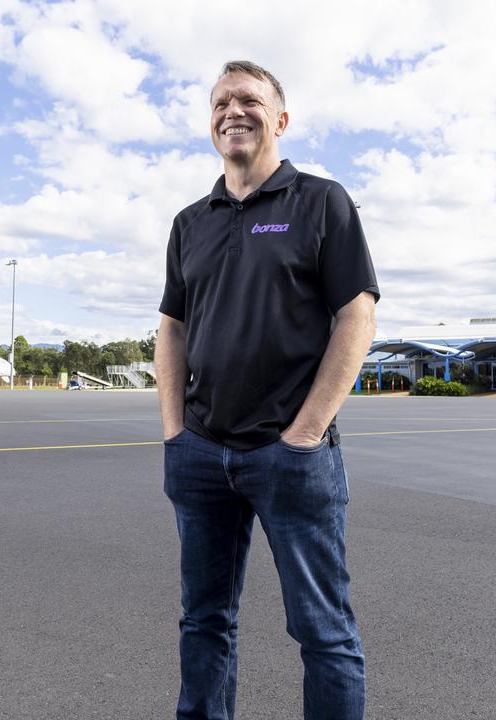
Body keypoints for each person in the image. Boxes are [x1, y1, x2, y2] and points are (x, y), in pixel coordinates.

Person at [155, 60, 380, 720]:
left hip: (292, 460)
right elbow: (171, 327)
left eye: (250, 100)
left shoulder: (321, 202)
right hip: (201, 455)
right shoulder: (189, 222)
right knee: (204, 623)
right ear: (210, 123)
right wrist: (174, 433)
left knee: (323, 634)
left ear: (279, 120)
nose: (234, 110)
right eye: (221, 101)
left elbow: (357, 313)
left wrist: (305, 434)